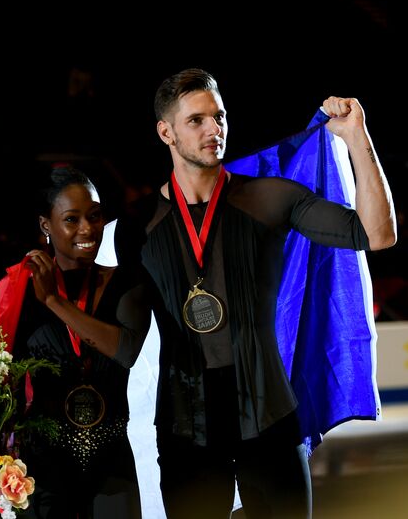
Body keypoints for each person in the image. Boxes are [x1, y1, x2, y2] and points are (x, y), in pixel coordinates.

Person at [115, 68, 397, 519]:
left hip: (270, 424)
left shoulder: (269, 199)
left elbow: (378, 235)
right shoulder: (138, 225)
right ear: (165, 131)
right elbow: (124, 340)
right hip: (186, 431)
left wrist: (355, 136)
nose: (214, 129)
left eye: (219, 116)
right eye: (197, 121)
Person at [0, 165, 152, 518]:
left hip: (112, 475)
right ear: (46, 226)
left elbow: (126, 350)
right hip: (44, 477)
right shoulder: (20, 291)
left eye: (95, 216)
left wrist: (55, 302)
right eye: (72, 219)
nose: (87, 229)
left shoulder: (127, 283)